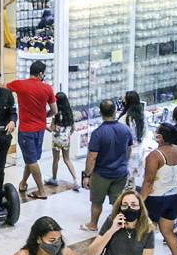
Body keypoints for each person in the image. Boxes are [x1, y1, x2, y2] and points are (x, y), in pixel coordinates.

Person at [139, 124, 177, 255]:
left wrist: (140, 200)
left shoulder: (155, 156)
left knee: (145, 232)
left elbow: (148, 181)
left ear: (160, 137)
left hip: (155, 198)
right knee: (168, 231)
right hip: (174, 196)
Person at [82, 99, 134, 232]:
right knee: (117, 203)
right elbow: (129, 149)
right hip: (120, 173)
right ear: (115, 111)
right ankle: (118, 225)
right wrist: (124, 162)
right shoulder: (125, 129)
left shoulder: (98, 133)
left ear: (100, 113)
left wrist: (87, 175)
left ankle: (93, 224)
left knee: (97, 201)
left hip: (101, 174)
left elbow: (92, 157)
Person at [8, 60, 56, 200]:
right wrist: (43, 116)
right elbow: (54, 110)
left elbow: (4, 87)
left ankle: (41, 191)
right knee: (32, 159)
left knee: (31, 160)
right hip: (40, 130)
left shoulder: (20, 85)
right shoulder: (47, 88)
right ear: (40, 73)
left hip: (26, 129)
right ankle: (23, 183)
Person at [47, 92, 80, 190]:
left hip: (57, 140)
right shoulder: (69, 112)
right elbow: (73, 128)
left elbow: (52, 128)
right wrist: (67, 135)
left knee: (55, 159)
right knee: (67, 159)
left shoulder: (55, 114)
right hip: (66, 139)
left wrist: (44, 126)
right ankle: (76, 180)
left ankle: (54, 178)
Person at [119, 91, 146, 188]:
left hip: (127, 152)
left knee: (124, 182)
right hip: (138, 152)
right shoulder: (141, 117)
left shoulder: (125, 119)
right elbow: (144, 133)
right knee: (132, 179)